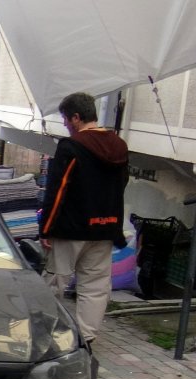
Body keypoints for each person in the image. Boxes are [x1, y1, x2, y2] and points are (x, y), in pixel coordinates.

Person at [38, 92, 129, 348]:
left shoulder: (71, 146)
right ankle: (86, 338)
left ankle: (45, 334)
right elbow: (122, 184)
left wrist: (46, 228)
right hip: (105, 228)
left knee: (55, 280)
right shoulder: (119, 145)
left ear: (76, 117)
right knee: (95, 286)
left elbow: (57, 191)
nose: (65, 124)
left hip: (71, 228)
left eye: (66, 119)